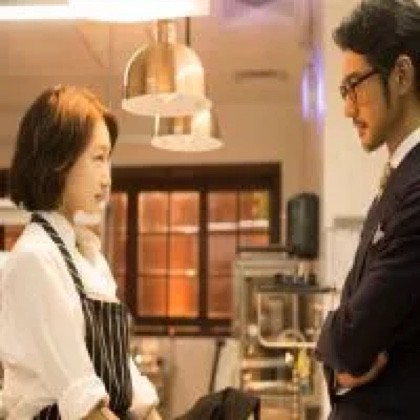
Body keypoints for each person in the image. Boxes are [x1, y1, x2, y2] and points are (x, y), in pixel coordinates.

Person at [0, 85, 162, 420]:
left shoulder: (89, 256)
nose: (107, 178)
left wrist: (150, 412)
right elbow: (84, 403)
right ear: (58, 161)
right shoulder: (35, 258)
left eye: (109, 160)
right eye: (98, 158)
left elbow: (124, 373)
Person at [315, 0, 420, 419]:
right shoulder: (396, 181)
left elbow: (351, 338)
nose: (347, 109)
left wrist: (335, 347)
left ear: (402, 75)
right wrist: (339, 360)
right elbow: (347, 343)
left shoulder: (416, 188)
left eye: (354, 85)